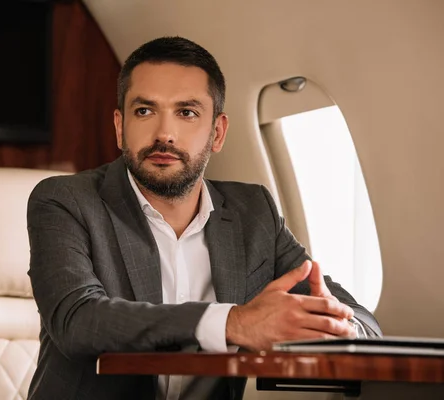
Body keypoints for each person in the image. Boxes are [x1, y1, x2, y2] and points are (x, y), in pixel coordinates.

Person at [26, 36, 381, 400]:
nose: (164, 134)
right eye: (144, 111)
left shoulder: (253, 212)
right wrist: (235, 323)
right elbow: (79, 320)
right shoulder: (64, 200)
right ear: (120, 127)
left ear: (218, 132)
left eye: (187, 113)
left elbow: (363, 320)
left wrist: (338, 327)